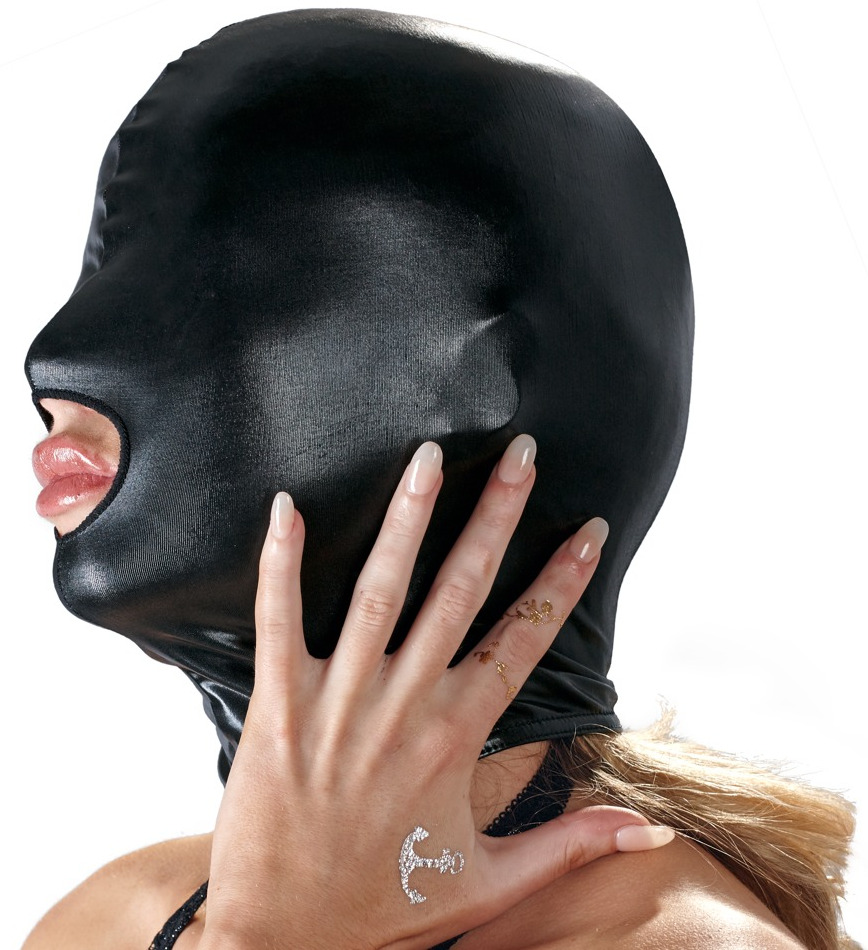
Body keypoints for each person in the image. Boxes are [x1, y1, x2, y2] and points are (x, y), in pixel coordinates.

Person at [19, 9, 859, 950]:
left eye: (207, 278)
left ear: (476, 382)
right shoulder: (109, 917)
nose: (53, 356)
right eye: (103, 268)